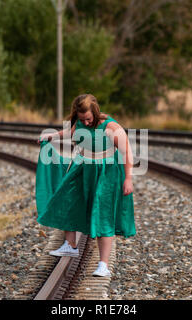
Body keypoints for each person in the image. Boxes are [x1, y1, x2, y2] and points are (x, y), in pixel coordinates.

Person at [35, 94, 135, 277]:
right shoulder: (80, 123)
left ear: (95, 112)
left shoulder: (111, 127)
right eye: (82, 119)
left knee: (103, 214)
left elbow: (127, 152)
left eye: (88, 119)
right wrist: (51, 137)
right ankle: (70, 245)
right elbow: (71, 133)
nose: (86, 123)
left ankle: (103, 265)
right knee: (66, 198)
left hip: (107, 173)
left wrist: (128, 178)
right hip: (84, 167)